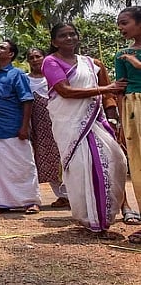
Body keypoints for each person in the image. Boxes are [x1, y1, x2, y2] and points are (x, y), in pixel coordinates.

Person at [42, 22, 127, 238]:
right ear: (54, 41)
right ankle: (93, 220)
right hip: (71, 125)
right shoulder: (50, 62)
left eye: (72, 34)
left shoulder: (91, 63)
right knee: (83, 169)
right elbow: (65, 91)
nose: (69, 38)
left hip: (96, 123)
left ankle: (107, 214)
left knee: (115, 161)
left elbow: (108, 97)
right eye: (63, 35)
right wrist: (105, 88)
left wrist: (114, 118)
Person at [0, 40, 41, 214]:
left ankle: (31, 201)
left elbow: (27, 101)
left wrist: (24, 127)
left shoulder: (17, 75)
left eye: (2, 48)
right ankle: (1, 202)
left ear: (11, 54)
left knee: (23, 166)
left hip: (13, 128)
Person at [26, 47, 69, 208]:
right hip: (39, 125)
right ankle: (62, 196)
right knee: (45, 160)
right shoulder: (25, 79)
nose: (35, 60)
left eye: (38, 56)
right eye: (31, 57)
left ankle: (73, 194)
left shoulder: (53, 76)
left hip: (59, 121)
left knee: (64, 157)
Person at [115, 7, 141, 243]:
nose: (121, 28)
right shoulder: (121, 55)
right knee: (138, 163)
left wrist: (137, 62)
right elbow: (120, 90)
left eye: (125, 23)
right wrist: (123, 122)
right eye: (119, 25)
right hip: (134, 108)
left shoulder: (130, 57)